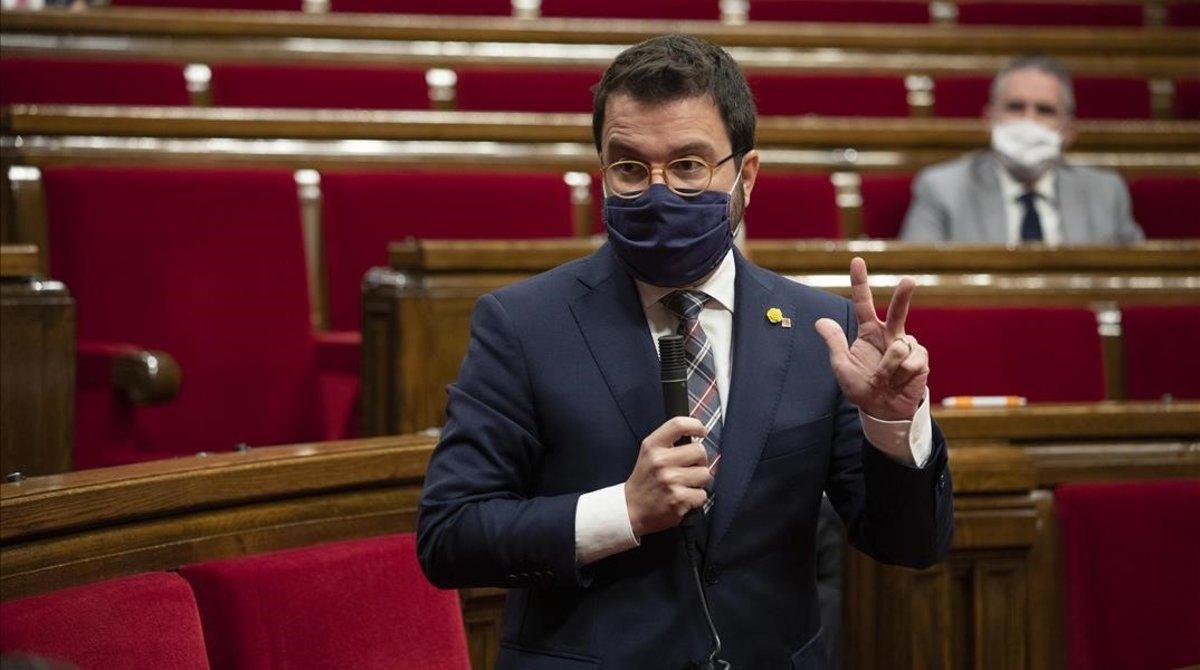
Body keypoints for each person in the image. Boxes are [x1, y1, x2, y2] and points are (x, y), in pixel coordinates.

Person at [418, 34, 953, 669]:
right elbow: (450, 536)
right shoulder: (523, 324)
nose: (658, 189)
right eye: (630, 167)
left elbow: (910, 546)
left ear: (745, 177)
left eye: (689, 166)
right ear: (603, 172)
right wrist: (622, 510)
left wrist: (893, 426)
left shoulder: (824, 329)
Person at [899, 55, 1144, 245]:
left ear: (1069, 130)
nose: (1029, 120)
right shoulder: (942, 189)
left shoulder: (1106, 192)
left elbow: (1137, 285)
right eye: (1016, 107)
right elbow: (916, 285)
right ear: (989, 120)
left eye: (1045, 110)